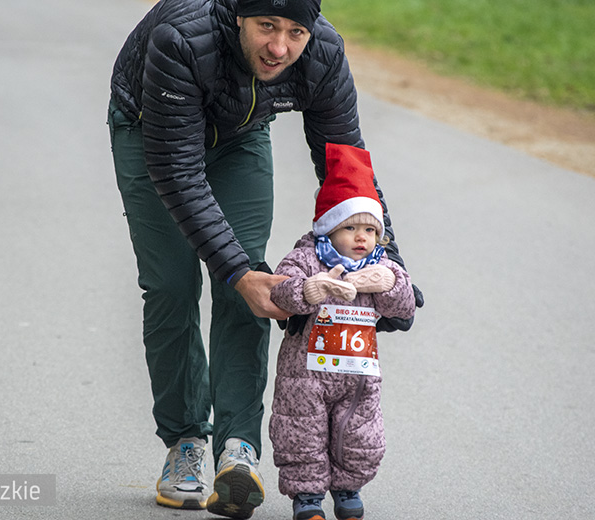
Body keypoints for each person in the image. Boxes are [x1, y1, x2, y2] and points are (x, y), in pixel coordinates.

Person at [108, 0, 423, 518]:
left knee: (256, 283)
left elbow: (346, 165)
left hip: (239, 134)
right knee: (172, 285)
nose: (279, 47)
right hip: (152, 132)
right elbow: (179, 172)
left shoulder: (323, 52)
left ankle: (238, 449)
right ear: (239, 15)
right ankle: (185, 441)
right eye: (266, 26)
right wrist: (234, 271)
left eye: (295, 31)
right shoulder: (181, 39)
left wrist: (387, 266)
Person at [269, 143, 416, 520]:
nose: (361, 237)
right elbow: (280, 292)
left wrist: (388, 283)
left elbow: (405, 307)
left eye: (369, 229)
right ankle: (307, 496)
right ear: (329, 228)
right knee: (302, 432)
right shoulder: (307, 258)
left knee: (359, 435)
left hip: (358, 374)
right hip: (306, 374)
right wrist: (309, 290)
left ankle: (348, 486)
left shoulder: (382, 264)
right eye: (350, 227)